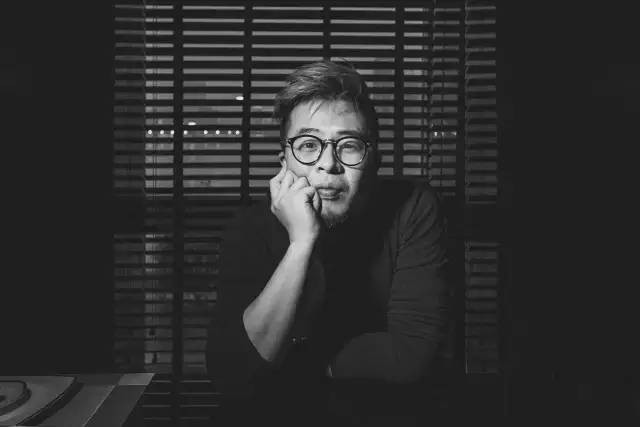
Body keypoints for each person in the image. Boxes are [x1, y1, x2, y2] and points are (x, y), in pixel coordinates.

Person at [206, 60, 451, 426]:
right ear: (284, 163)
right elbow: (233, 375)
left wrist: (290, 363)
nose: (328, 164)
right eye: (308, 145)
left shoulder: (413, 207)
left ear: (374, 161)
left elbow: (411, 357)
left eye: (349, 145)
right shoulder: (250, 227)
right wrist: (301, 243)